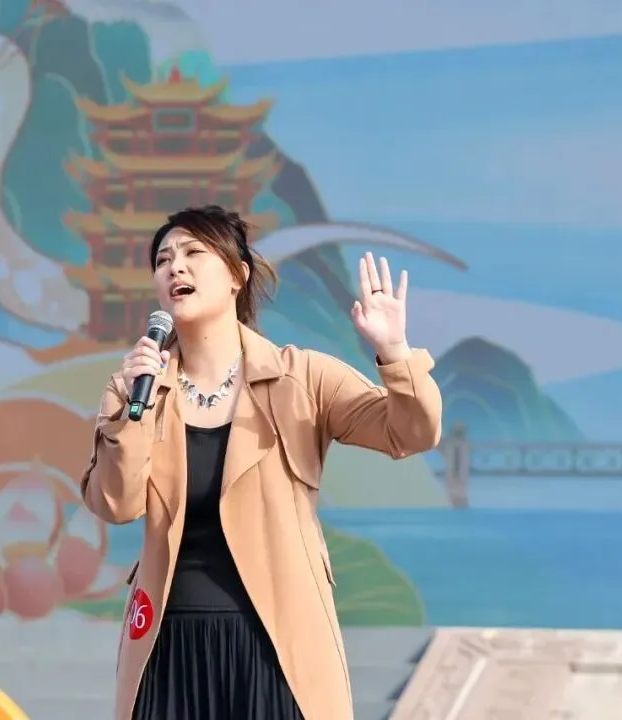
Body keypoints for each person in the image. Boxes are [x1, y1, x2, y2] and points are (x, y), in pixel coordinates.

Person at [80, 206, 443, 720]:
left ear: (237, 274)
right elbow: (115, 503)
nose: (174, 267)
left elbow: (411, 432)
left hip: (279, 646)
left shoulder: (303, 378)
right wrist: (135, 411)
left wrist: (395, 352)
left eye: (193, 253)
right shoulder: (134, 387)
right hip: (168, 644)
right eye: (162, 260)